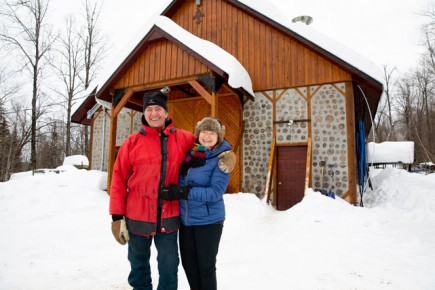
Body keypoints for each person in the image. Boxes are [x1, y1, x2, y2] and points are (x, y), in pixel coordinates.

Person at [109, 89, 196, 290]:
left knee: (169, 266)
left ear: (166, 112)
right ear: (144, 113)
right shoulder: (131, 142)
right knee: (138, 265)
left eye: (158, 109)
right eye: (149, 109)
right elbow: (118, 179)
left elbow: (209, 145)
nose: (154, 113)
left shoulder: (183, 138)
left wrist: (226, 154)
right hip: (137, 215)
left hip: (169, 214)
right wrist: (116, 216)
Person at [178, 117, 236, 290]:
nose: (208, 136)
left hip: (209, 221)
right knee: (189, 266)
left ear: (219, 136)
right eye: (204, 131)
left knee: (206, 267)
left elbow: (215, 192)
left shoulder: (223, 157)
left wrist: (184, 192)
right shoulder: (191, 154)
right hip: (186, 221)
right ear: (198, 134)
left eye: (212, 133)